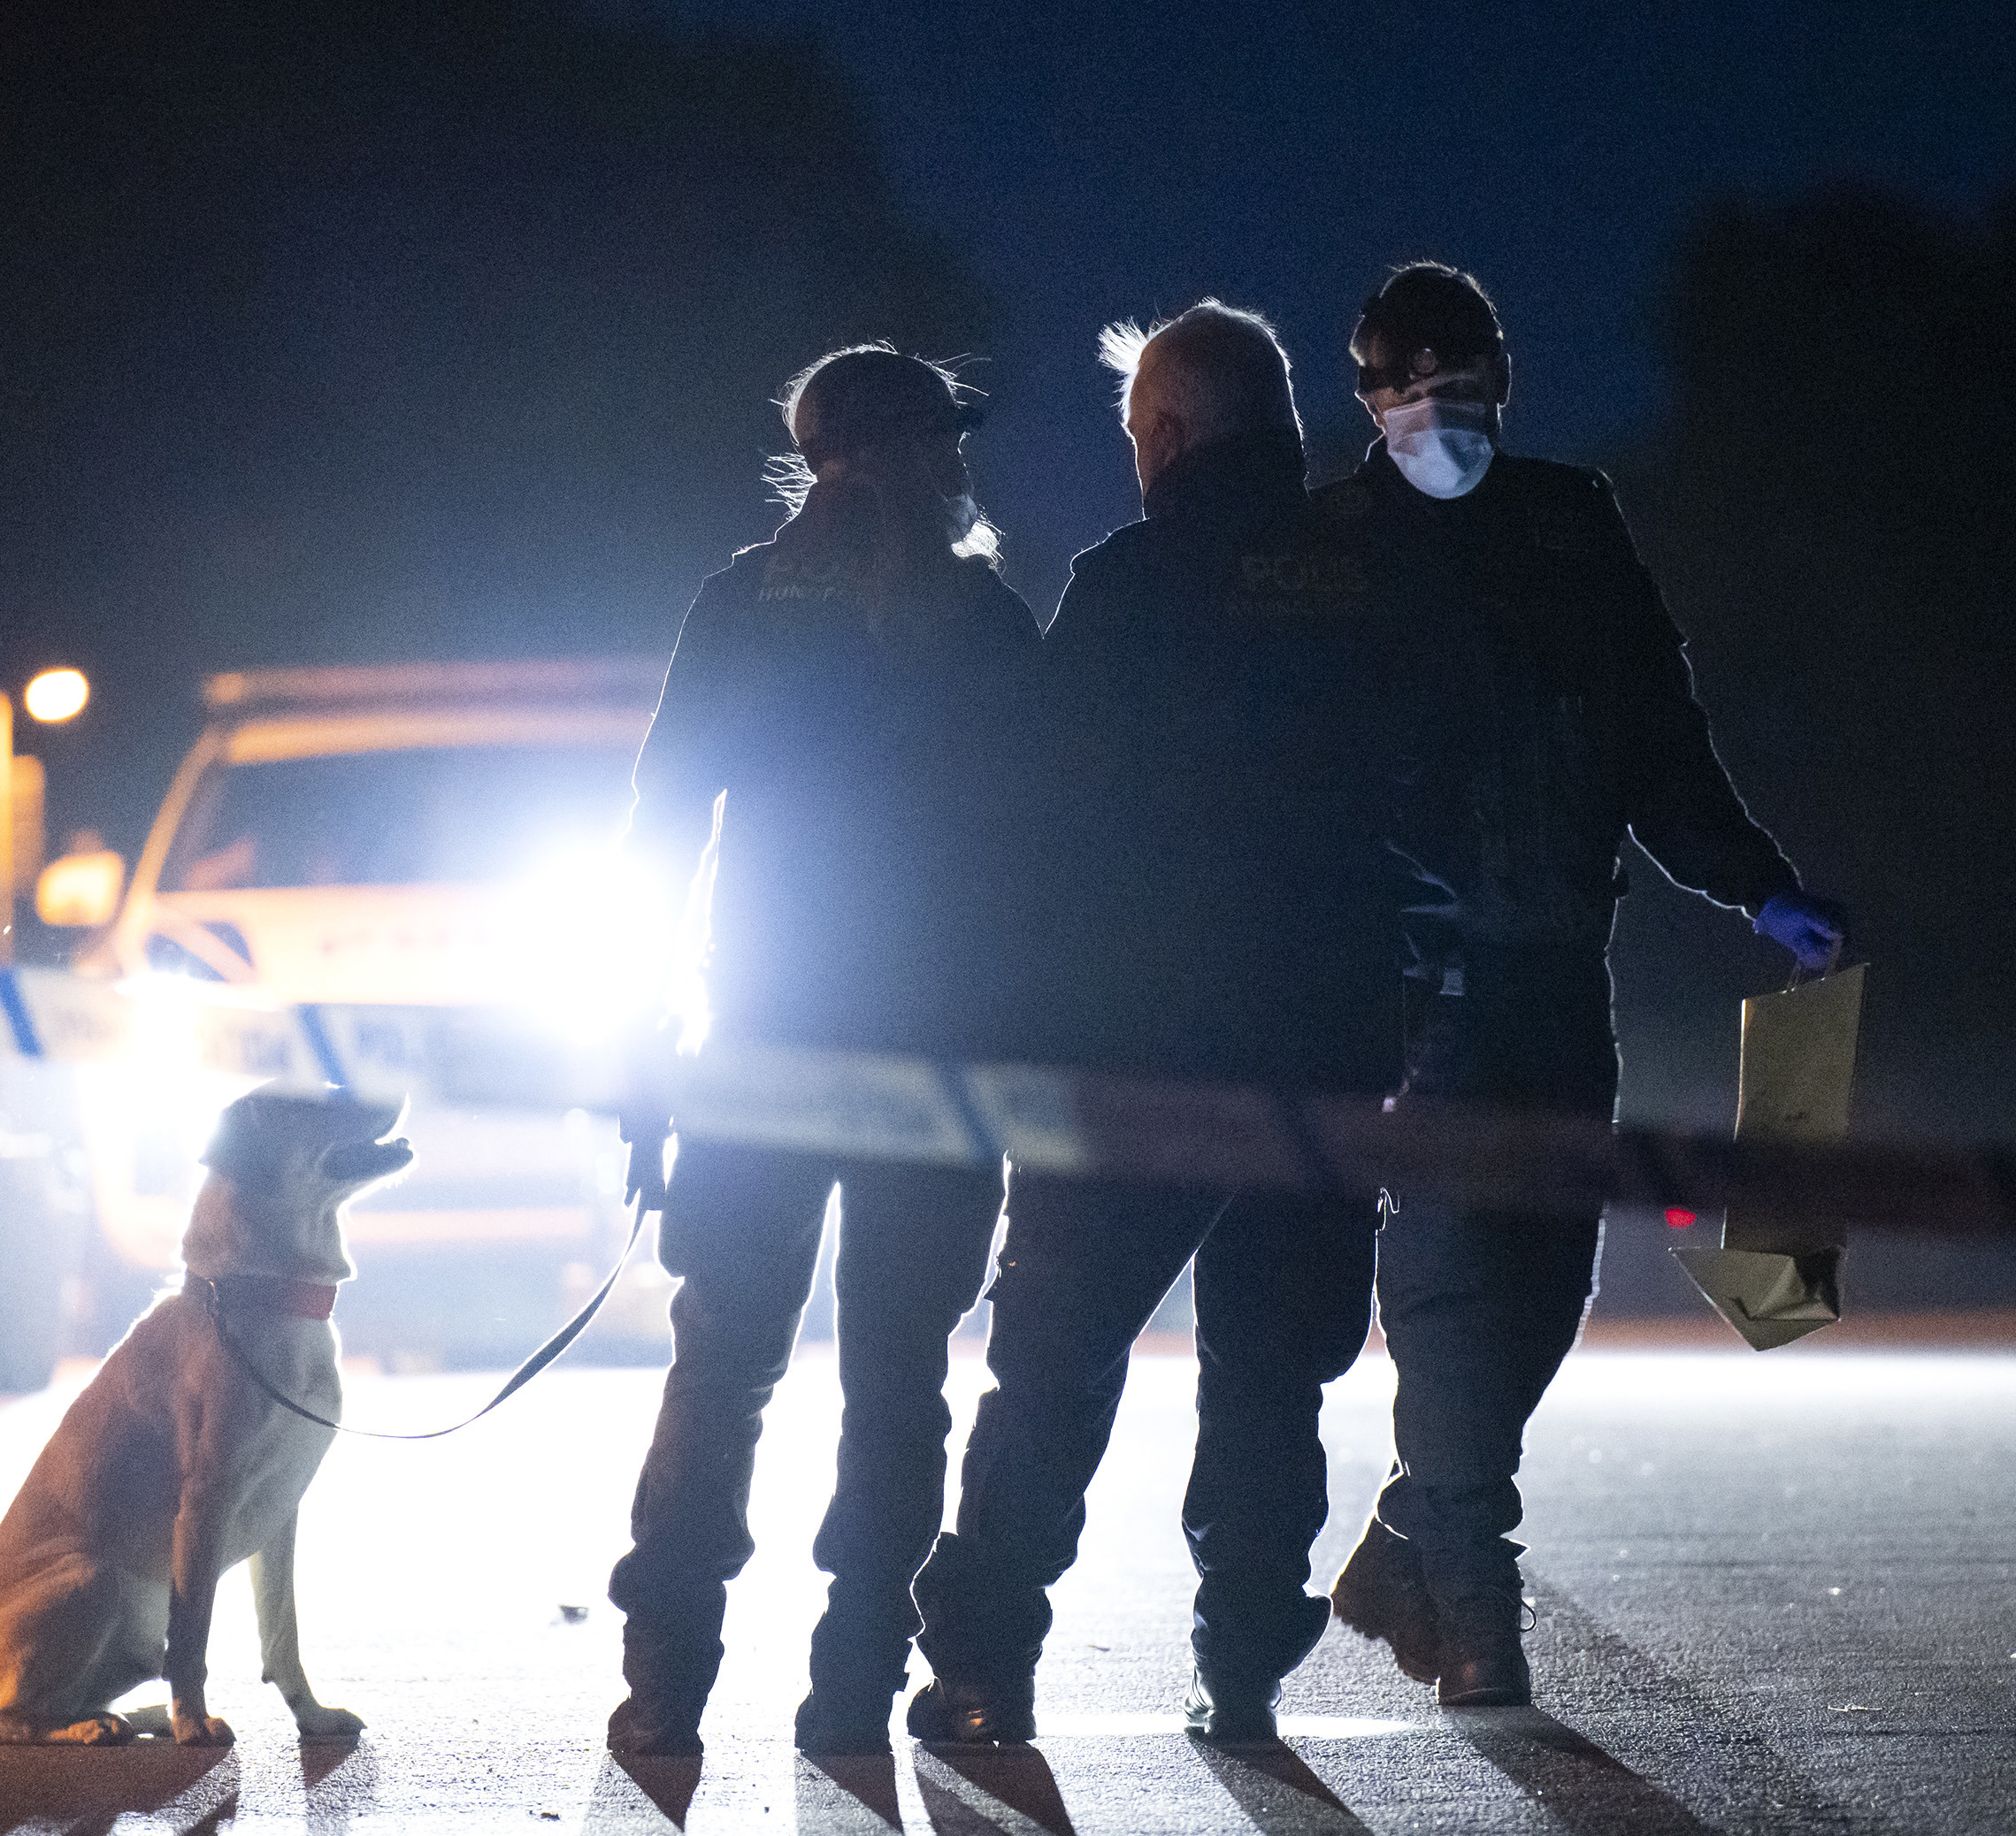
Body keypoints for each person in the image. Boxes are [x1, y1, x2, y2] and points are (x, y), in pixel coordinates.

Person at [1330, 260, 1851, 1706]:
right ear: (1367, 396)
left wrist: (1760, 882)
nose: (1441, 412)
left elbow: (1657, 744)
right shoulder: (1328, 552)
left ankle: (1403, 1536)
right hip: (1412, 994)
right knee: (1442, 1285)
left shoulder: (1572, 526)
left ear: (1504, 379)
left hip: (1560, 973)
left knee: (1543, 1293)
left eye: (1464, 380)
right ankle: (1481, 1612)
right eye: (1409, 384)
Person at [907, 302, 1419, 1752]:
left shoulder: (1127, 587)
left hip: (1132, 1058)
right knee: (1274, 1370)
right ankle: (1245, 1660)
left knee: (1052, 1366)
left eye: (1139, 434)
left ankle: (984, 1663)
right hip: (1325, 1047)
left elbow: (1040, 827)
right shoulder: (1368, 579)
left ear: (1177, 432)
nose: (1134, 463)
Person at [604, 346, 1042, 1760]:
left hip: (759, 1051)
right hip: (936, 1068)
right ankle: (854, 1682)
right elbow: (1057, 851)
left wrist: (639, 1040)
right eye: (946, 442)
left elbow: (660, 826)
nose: (963, 465)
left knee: (721, 1362)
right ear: (913, 457)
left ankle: (664, 1677)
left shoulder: (741, 606)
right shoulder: (978, 621)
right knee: (901, 1373)